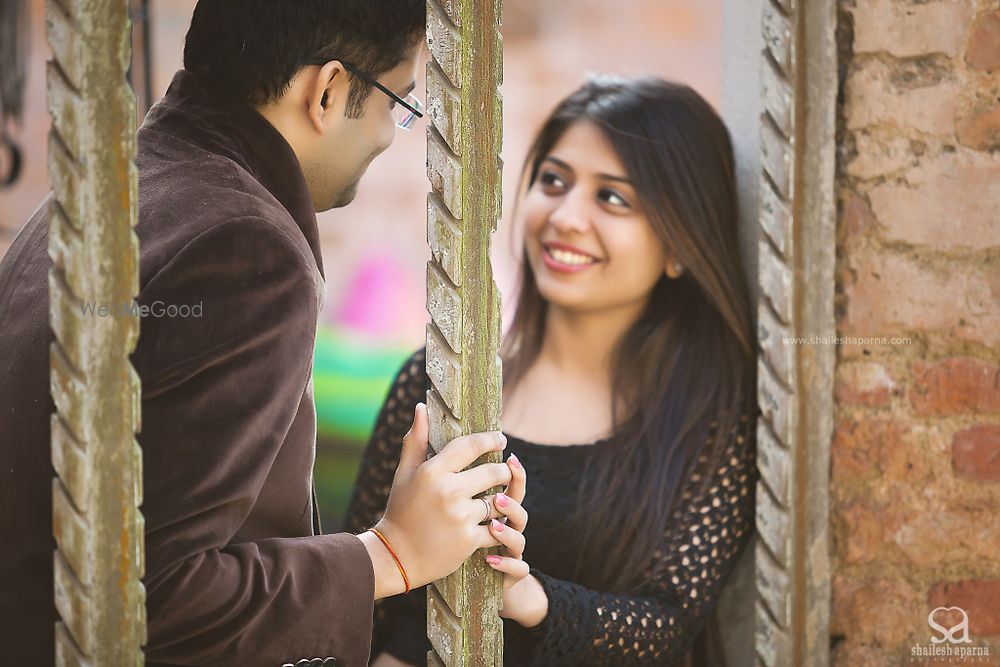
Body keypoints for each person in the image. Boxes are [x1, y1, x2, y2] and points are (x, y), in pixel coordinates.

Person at [0, 2, 526, 665]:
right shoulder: (245, 247)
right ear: (328, 90)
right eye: (399, 101)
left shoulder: (101, 196)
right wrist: (390, 553)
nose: (392, 136)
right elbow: (149, 598)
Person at [345, 76, 760, 666]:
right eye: (554, 181)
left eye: (613, 198)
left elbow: (668, 624)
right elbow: (364, 591)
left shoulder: (711, 417)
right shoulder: (435, 382)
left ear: (680, 245)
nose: (565, 216)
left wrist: (526, 594)